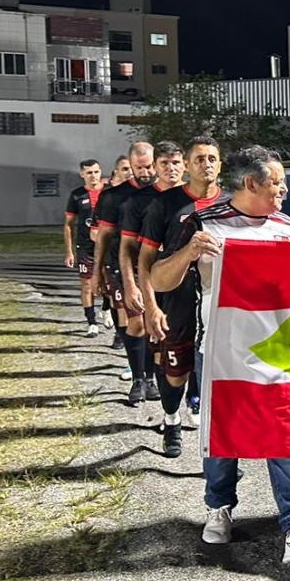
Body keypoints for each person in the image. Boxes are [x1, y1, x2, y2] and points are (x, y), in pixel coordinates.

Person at [151, 145, 290, 564]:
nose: (284, 189)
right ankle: (219, 506)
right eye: (277, 182)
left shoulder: (287, 227)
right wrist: (188, 253)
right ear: (252, 182)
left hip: (278, 350)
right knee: (224, 439)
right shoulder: (200, 222)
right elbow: (160, 280)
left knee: (284, 432)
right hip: (221, 348)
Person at [140, 136, 222, 454]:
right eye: (199, 159)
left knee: (218, 371)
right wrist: (150, 305)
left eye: (212, 158)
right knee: (176, 374)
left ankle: (217, 446)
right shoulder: (165, 204)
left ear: (220, 164)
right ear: (187, 165)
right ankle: (171, 417)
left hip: (216, 299)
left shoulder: (231, 203)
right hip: (176, 299)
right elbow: (146, 258)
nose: (206, 164)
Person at [117, 141, 183, 410]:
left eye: (175, 162)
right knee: (138, 326)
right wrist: (130, 285)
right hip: (144, 275)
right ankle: (138, 378)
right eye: (164, 163)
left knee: (167, 335)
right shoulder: (138, 201)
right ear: (156, 167)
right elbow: (126, 248)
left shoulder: (191, 197)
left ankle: (160, 386)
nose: (170, 168)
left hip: (179, 280)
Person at [93, 142, 157, 406]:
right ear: (130, 167)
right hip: (124, 268)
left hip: (157, 267)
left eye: (150, 166)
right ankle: (138, 379)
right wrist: (97, 272)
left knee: (155, 326)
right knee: (137, 323)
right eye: (139, 168)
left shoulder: (165, 193)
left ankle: (152, 378)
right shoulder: (114, 197)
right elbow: (104, 237)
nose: (145, 172)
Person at [64, 158, 103, 336]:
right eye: (89, 173)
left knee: (109, 284)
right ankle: (92, 322)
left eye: (95, 172)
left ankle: (109, 309)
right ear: (82, 174)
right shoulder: (77, 195)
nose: (93, 176)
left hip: (108, 246)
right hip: (85, 247)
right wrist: (69, 252)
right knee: (86, 284)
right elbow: (69, 224)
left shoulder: (110, 192)